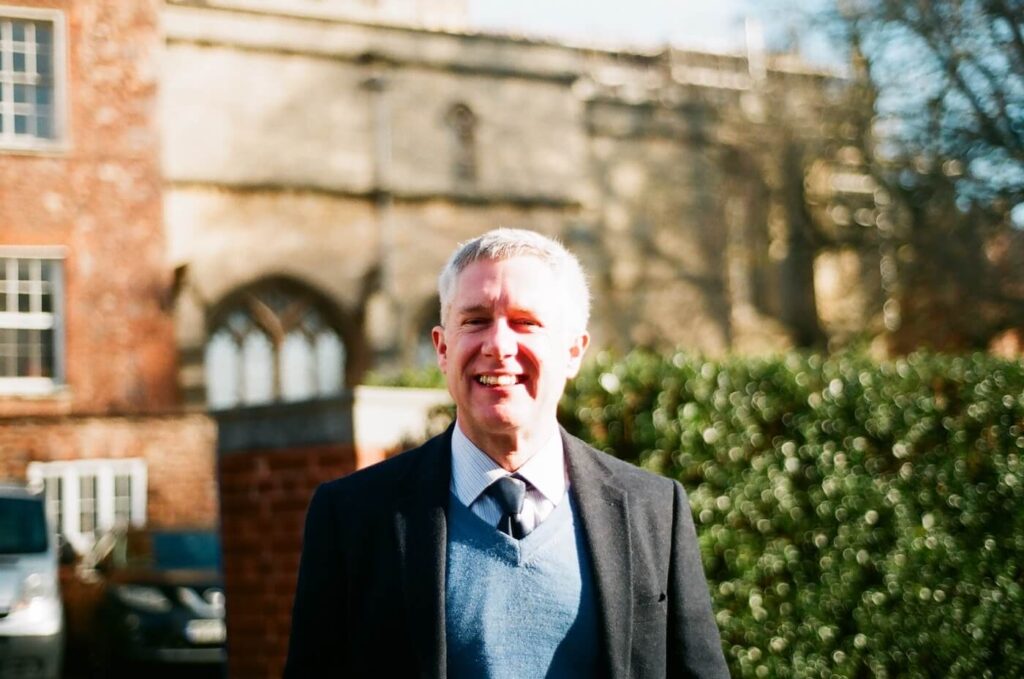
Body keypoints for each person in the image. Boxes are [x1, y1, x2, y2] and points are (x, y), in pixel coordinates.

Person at [284, 228, 728, 678]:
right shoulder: (354, 515)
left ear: (573, 352)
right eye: (475, 320)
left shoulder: (653, 510)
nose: (498, 345)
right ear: (442, 348)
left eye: (526, 322)